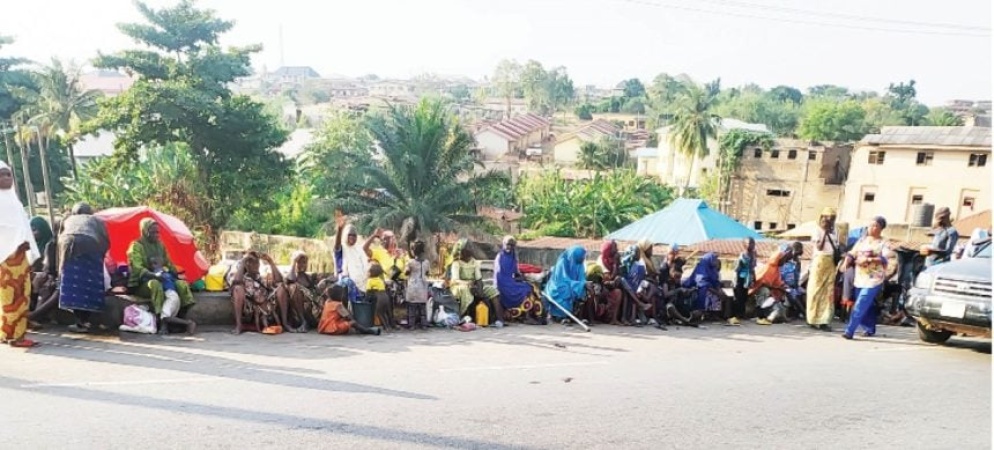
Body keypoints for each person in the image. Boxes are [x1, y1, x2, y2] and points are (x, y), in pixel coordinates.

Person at [0, 161, 40, 347]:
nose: (6, 178)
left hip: (19, 259)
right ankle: (15, 336)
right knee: (10, 297)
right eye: (1, 175)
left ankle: (9, 333)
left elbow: (23, 228)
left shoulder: (15, 202)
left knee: (21, 295)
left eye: (8, 174)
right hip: (5, 260)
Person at [59, 203, 111, 333]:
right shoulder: (96, 220)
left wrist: (60, 267)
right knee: (90, 284)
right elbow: (105, 240)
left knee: (74, 285)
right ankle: (85, 321)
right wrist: (99, 258)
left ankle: (80, 322)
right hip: (90, 245)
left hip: (67, 246)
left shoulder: (68, 219)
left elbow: (59, 238)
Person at [843, 216, 891, 340]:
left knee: (860, 304)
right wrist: (846, 261)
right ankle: (869, 328)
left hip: (874, 279)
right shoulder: (862, 240)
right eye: (870, 225)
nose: (871, 228)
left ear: (881, 228)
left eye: (875, 226)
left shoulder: (884, 242)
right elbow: (852, 253)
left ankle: (849, 331)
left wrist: (869, 259)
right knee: (866, 305)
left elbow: (885, 258)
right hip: (860, 277)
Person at [230, 251, 291, 334]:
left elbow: (279, 280)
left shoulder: (261, 278)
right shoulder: (240, 277)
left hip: (267, 309)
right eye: (251, 262)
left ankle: (285, 323)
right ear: (246, 265)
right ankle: (239, 326)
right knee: (237, 288)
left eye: (257, 262)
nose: (255, 265)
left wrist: (270, 262)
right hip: (250, 311)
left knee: (281, 287)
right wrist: (244, 261)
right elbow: (236, 282)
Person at [494, 236, 543, 326]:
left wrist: (521, 277)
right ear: (504, 244)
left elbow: (516, 272)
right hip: (503, 285)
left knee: (531, 287)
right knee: (527, 290)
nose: (510, 247)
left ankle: (535, 315)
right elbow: (498, 275)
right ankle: (527, 317)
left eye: (512, 245)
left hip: (510, 282)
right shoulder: (500, 257)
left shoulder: (513, 256)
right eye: (508, 244)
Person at [807, 208, 840, 331]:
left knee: (828, 292)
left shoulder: (836, 231)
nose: (831, 221)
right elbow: (819, 247)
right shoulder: (817, 230)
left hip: (831, 262)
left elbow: (837, 246)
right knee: (815, 290)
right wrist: (825, 232)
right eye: (829, 218)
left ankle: (824, 320)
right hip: (820, 261)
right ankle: (812, 319)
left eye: (833, 219)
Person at [448, 239, 499, 318]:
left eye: (471, 247)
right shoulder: (456, 263)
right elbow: (456, 280)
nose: (471, 249)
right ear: (462, 250)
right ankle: (465, 316)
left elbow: (479, 279)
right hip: (459, 286)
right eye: (469, 248)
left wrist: (480, 290)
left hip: (473, 285)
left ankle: (499, 318)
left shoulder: (474, 262)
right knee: (465, 291)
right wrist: (468, 284)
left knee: (492, 290)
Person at [285, 251, 332, 332]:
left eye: (304, 262)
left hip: (313, 310)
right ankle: (303, 322)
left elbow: (316, 292)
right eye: (299, 262)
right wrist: (294, 262)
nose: (302, 265)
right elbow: (290, 279)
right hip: (298, 311)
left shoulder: (308, 277)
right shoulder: (292, 277)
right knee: (294, 287)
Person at [150, 257, 196, 335]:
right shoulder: (168, 274)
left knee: (165, 317)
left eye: (153, 264)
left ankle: (188, 323)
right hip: (174, 297)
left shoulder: (160, 273)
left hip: (171, 296)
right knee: (165, 317)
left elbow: (155, 277)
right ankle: (164, 330)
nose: (152, 266)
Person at [544, 245, 590, 323]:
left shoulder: (579, 263)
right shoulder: (562, 262)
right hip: (557, 287)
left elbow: (581, 278)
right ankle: (559, 317)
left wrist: (584, 284)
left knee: (583, 291)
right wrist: (580, 284)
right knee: (565, 293)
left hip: (571, 286)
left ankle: (576, 316)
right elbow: (562, 280)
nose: (583, 258)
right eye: (582, 256)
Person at [585, 240, 622, 325]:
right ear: (608, 249)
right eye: (614, 248)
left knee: (618, 292)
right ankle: (595, 316)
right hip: (601, 285)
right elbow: (606, 278)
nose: (617, 250)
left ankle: (614, 319)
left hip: (610, 286)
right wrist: (615, 265)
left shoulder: (613, 259)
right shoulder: (602, 260)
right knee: (598, 293)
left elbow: (618, 274)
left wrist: (617, 263)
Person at [682, 253, 726, 320]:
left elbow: (715, 281)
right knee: (709, 293)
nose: (716, 261)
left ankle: (713, 314)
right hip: (698, 288)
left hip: (708, 287)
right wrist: (717, 292)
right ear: (710, 260)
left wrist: (720, 290)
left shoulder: (713, 269)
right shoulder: (701, 268)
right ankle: (702, 312)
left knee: (719, 293)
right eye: (714, 260)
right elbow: (703, 283)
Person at [730, 238, 758, 326]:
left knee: (745, 296)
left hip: (748, 279)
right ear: (745, 245)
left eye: (752, 243)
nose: (751, 245)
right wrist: (735, 280)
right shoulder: (742, 255)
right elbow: (737, 269)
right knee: (739, 297)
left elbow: (753, 268)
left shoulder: (754, 255)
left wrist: (754, 278)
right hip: (741, 278)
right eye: (749, 243)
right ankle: (735, 316)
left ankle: (741, 314)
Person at [405, 240, 430, 329]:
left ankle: (412, 325)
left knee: (412, 307)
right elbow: (427, 273)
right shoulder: (427, 262)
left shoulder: (410, 262)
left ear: (413, 251)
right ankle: (424, 325)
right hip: (423, 286)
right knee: (422, 307)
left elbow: (406, 273)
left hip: (413, 287)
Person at [335, 224, 368, 292]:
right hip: (346, 285)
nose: (352, 237)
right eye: (350, 235)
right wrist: (340, 229)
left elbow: (365, 266)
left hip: (362, 286)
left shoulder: (359, 249)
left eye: (354, 235)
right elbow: (337, 246)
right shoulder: (342, 248)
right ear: (345, 235)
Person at [366, 261, 396, 330]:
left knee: (379, 312)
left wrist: (366, 299)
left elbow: (368, 292)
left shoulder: (370, 281)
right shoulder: (380, 280)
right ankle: (390, 325)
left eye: (368, 272)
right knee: (384, 312)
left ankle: (386, 327)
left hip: (379, 298)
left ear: (371, 273)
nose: (367, 273)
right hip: (385, 296)